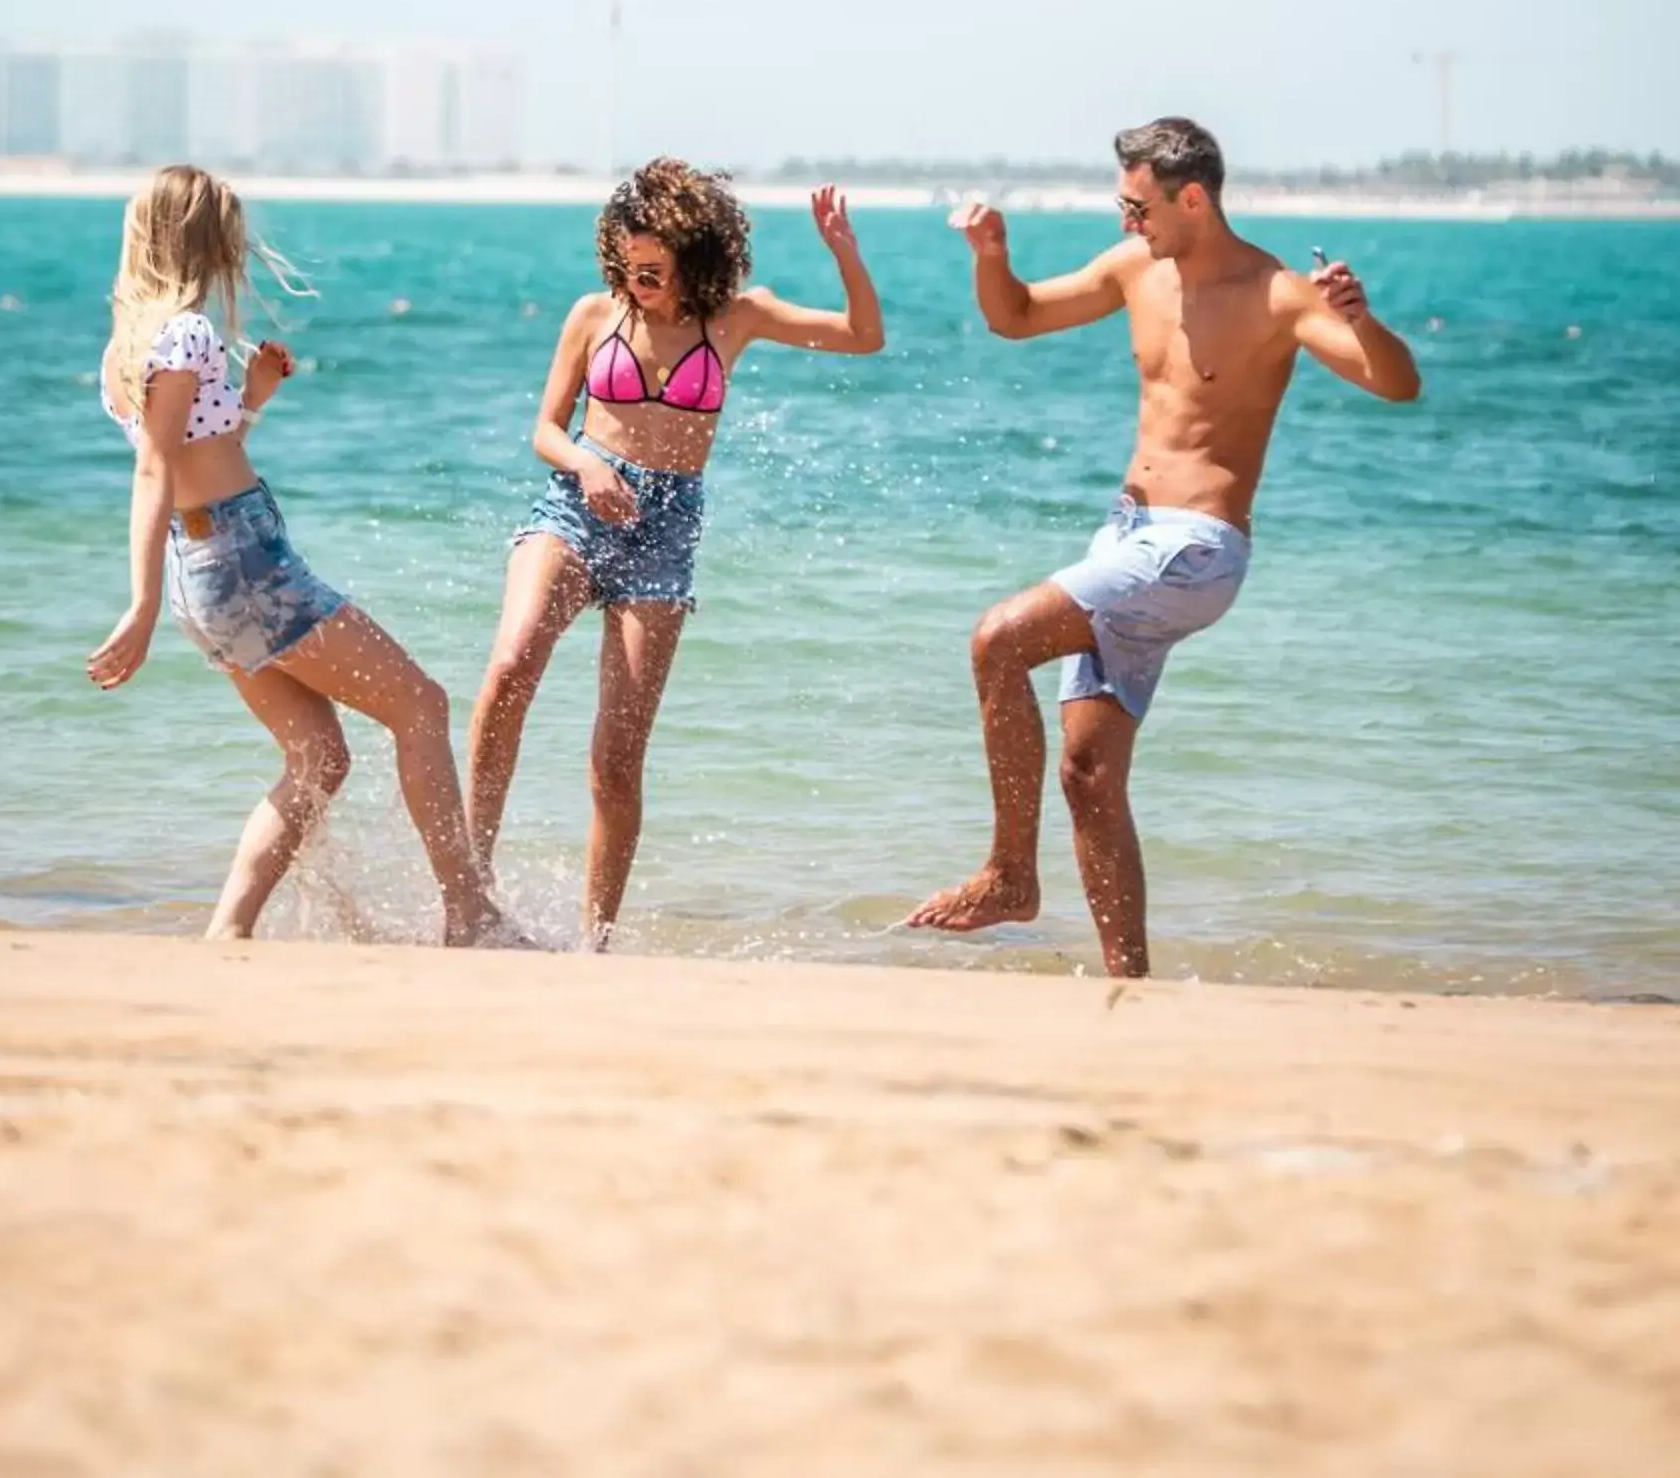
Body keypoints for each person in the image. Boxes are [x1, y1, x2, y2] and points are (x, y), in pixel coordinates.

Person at [906, 116, 1420, 978]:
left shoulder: (1277, 293)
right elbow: (1017, 317)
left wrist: (1361, 321)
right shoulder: (1136, 270)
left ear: (1192, 198)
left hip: (1198, 548)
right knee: (1086, 773)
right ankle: (1129, 986)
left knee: (999, 638)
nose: (1125, 222)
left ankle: (1009, 875)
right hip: (1128, 538)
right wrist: (991, 254)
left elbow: (1397, 385)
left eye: (1137, 205)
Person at [87, 164, 511, 946]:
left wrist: (250, 401)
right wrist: (138, 605)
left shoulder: (128, 346)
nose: (236, 246)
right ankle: (469, 914)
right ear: (198, 239)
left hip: (206, 569)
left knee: (318, 756)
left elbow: (190, 456)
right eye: (225, 232)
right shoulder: (185, 332)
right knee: (422, 707)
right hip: (246, 566)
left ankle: (229, 932)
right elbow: (155, 467)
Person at [468, 159, 885, 944]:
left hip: (665, 530)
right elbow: (546, 431)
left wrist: (844, 253)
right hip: (576, 505)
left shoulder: (738, 318)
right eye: (629, 265)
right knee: (510, 665)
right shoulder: (595, 315)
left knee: (618, 755)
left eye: (655, 269)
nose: (639, 280)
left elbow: (866, 337)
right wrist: (588, 462)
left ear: (696, 253)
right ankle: (470, 881)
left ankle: (595, 941)